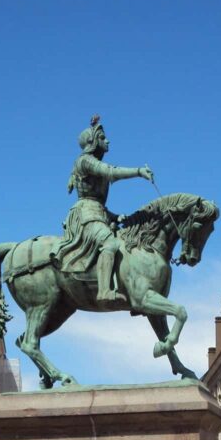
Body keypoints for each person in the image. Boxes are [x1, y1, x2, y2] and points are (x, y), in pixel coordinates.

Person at [53, 115, 154, 303]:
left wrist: (115, 216)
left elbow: (99, 204)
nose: (107, 141)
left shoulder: (92, 162)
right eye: (102, 138)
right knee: (111, 244)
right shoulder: (85, 161)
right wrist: (138, 171)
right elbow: (111, 172)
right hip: (85, 216)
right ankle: (104, 291)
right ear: (92, 142)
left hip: (99, 214)